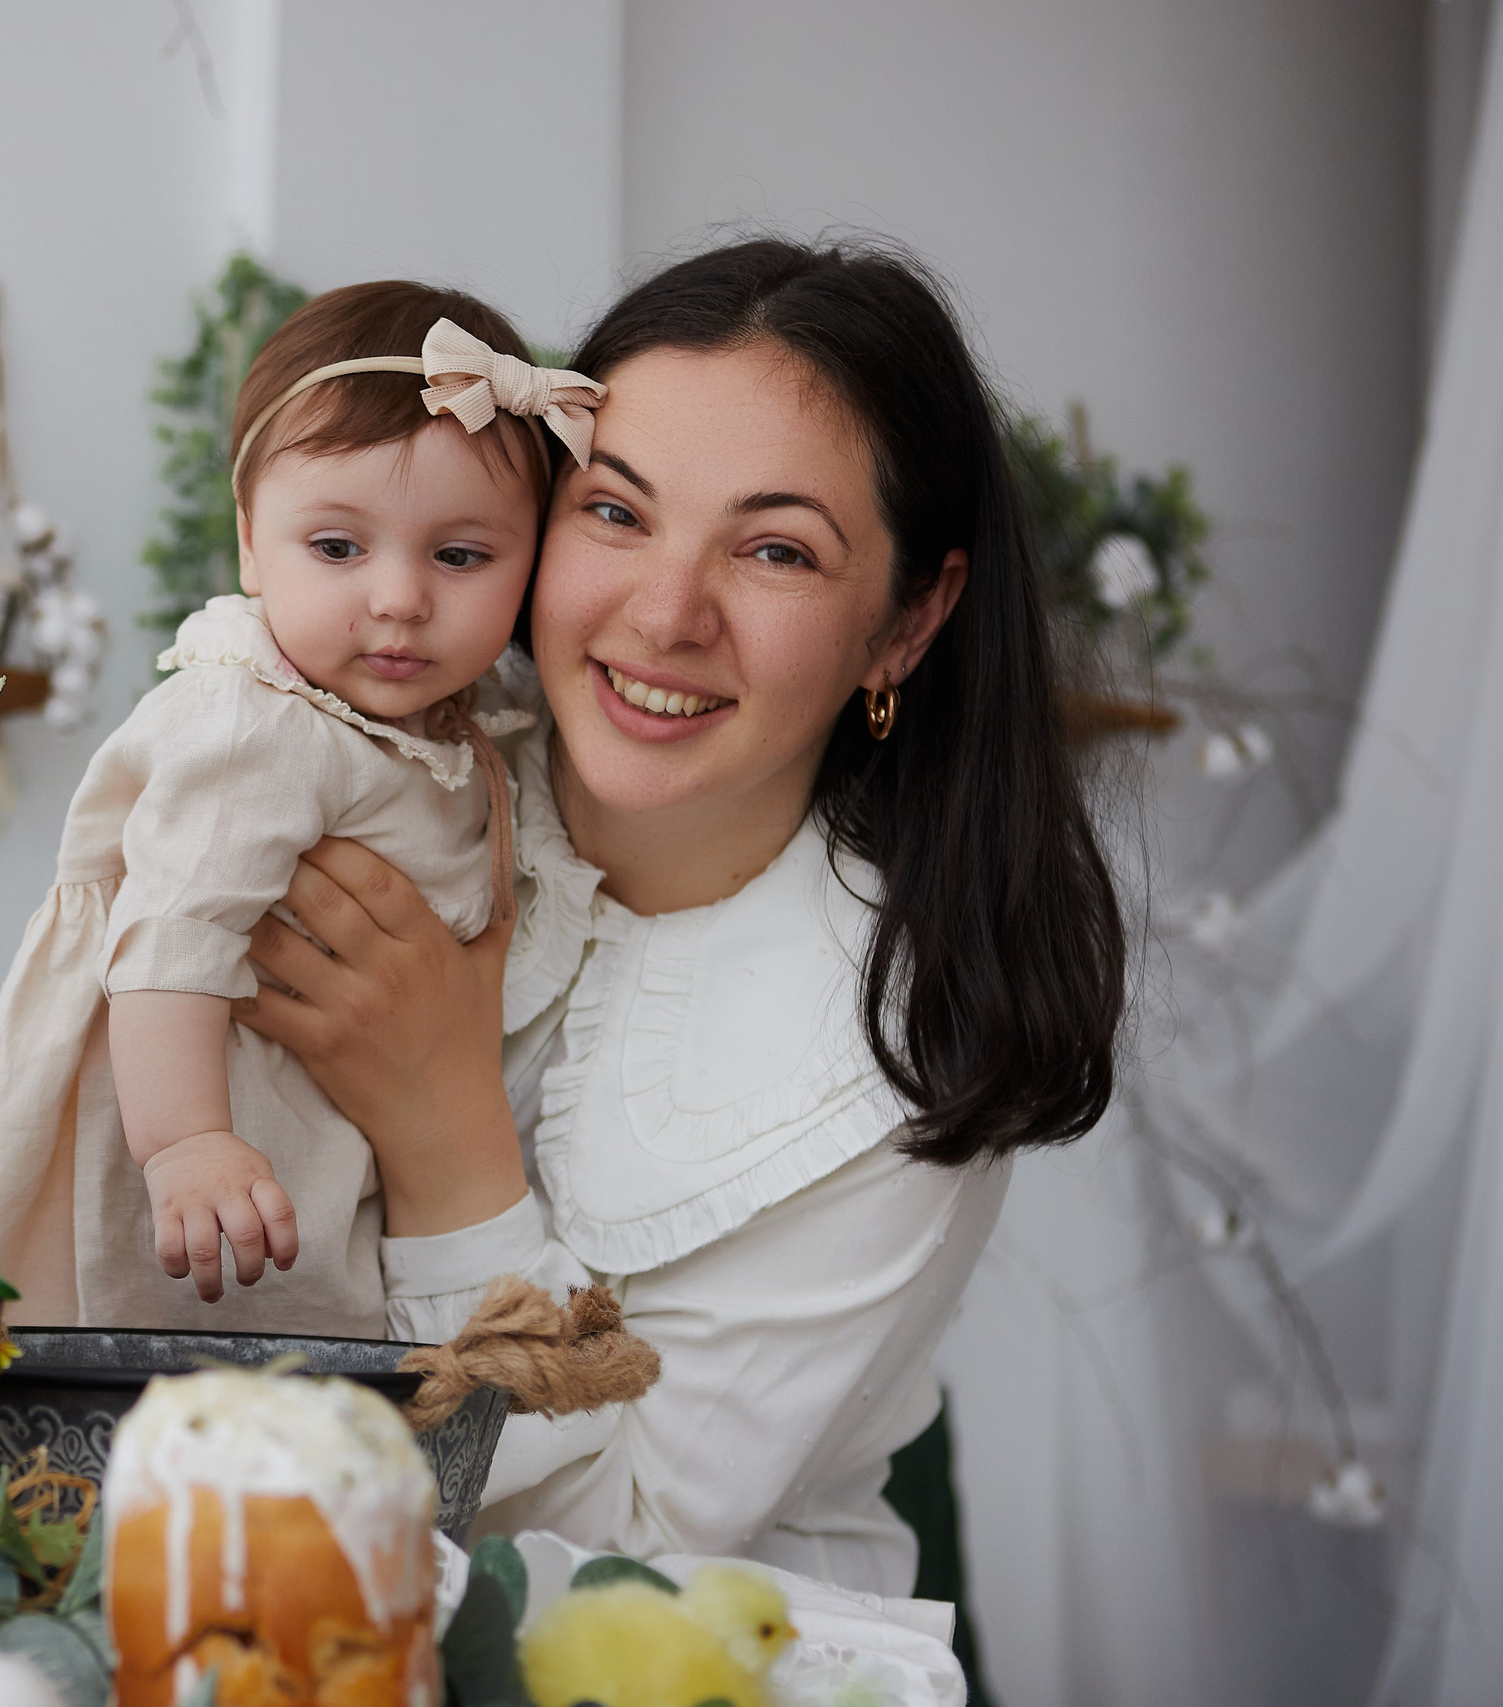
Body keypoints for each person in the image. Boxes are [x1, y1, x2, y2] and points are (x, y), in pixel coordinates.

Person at [234, 238, 1127, 1595]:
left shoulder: (902, 1049)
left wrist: (443, 1128)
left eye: (776, 548)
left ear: (907, 620)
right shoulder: (364, 786)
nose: (664, 613)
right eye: (615, 511)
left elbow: (614, 1552)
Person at [0, 281, 603, 1336]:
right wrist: (185, 1141)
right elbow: (169, 944)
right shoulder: (254, 725)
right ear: (251, 546)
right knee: (164, 1358)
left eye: (459, 556)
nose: (397, 599)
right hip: (185, 1122)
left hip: (327, 1138)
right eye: (336, 548)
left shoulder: (467, 725)